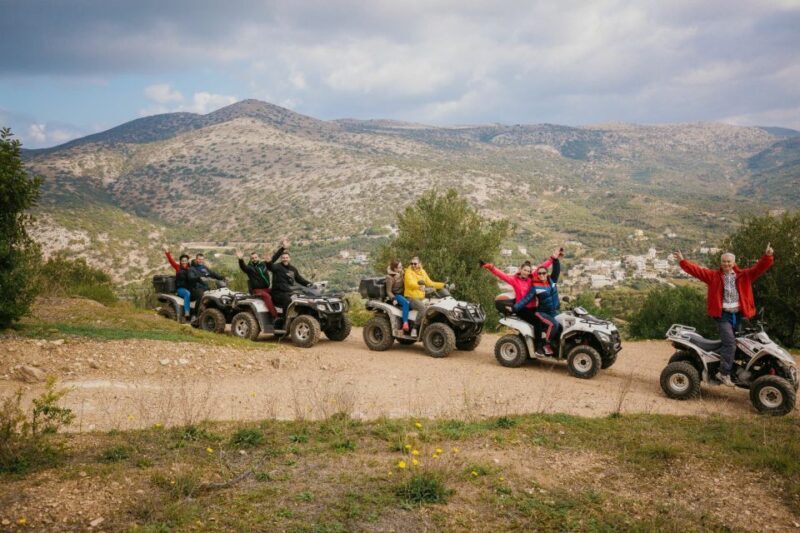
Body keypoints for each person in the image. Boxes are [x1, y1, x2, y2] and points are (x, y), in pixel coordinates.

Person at [673, 243, 774, 387]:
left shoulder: (744, 275)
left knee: (738, 344)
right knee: (730, 344)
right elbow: (696, 271)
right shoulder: (713, 276)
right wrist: (682, 261)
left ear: (734, 263)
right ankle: (724, 373)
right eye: (724, 261)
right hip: (723, 316)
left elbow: (760, 268)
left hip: (738, 315)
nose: (726, 264)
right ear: (721, 263)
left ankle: (716, 365)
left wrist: (768, 256)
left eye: (729, 261)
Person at [482, 252, 555, 329]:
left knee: (546, 321)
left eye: (528, 271)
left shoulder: (531, 278)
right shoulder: (514, 280)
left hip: (533, 308)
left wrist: (552, 259)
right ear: (520, 269)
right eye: (525, 270)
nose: (526, 273)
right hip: (521, 308)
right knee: (537, 323)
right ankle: (538, 341)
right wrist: (491, 267)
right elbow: (502, 275)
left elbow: (542, 268)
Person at [514, 248, 564, 355]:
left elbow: (556, 270)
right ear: (537, 274)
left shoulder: (552, 281)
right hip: (542, 312)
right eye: (539, 273)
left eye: (543, 273)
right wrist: (516, 307)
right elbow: (526, 299)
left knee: (561, 326)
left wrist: (555, 259)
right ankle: (545, 345)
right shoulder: (535, 286)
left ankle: (556, 347)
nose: (541, 275)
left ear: (547, 273)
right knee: (553, 325)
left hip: (553, 311)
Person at [236, 239, 286, 319]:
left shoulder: (263, 265)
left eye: (256, 257)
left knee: (278, 293)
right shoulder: (250, 268)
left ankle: (283, 314)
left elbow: (274, 258)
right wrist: (240, 259)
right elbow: (243, 267)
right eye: (252, 258)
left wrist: (283, 248)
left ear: (258, 257)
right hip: (257, 290)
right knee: (267, 297)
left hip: (266, 288)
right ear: (251, 259)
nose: (254, 259)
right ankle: (275, 316)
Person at [269, 241, 312, 313]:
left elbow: (299, 279)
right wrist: (282, 249)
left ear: (289, 258)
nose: (285, 259)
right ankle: (285, 319)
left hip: (288, 292)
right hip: (277, 293)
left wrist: (309, 284)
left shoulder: (292, 269)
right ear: (281, 259)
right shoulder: (276, 267)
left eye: (286, 257)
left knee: (302, 298)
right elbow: (269, 266)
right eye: (283, 258)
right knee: (288, 300)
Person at [162, 244, 200, 323]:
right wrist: (167, 251)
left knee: (200, 295)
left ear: (187, 261)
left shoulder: (190, 269)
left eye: (185, 261)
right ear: (180, 261)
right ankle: (187, 312)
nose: (184, 262)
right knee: (187, 293)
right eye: (182, 261)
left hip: (189, 288)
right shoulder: (177, 267)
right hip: (180, 289)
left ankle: (196, 315)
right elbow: (171, 261)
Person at [403, 257, 445, 322]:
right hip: (410, 297)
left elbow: (430, 283)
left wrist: (443, 285)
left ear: (419, 264)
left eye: (415, 264)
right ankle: (415, 327)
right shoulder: (408, 272)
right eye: (411, 263)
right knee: (423, 308)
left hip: (421, 297)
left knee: (435, 307)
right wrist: (419, 286)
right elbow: (410, 284)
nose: (413, 265)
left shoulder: (423, 272)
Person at [386, 259, 411, 332]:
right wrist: (393, 298)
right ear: (395, 269)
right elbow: (388, 291)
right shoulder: (389, 277)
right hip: (396, 295)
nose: (401, 268)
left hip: (404, 293)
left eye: (401, 266)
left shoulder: (401, 272)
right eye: (400, 267)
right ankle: (405, 323)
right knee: (406, 303)